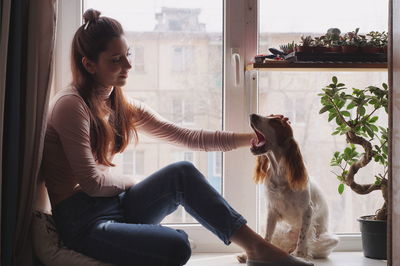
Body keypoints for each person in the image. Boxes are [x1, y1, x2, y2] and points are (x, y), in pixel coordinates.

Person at [42, 8, 314, 266]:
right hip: (84, 222)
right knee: (179, 245)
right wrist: (134, 182)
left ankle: (258, 249)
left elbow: (189, 137)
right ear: (89, 64)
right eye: (116, 60)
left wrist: (256, 138)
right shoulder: (70, 105)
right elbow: (91, 182)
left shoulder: (119, 104)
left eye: (128, 54)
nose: (128, 65)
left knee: (181, 172)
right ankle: (261, 251)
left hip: (115, 206)